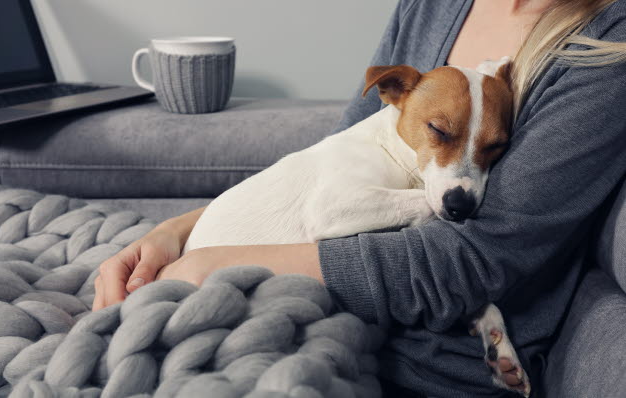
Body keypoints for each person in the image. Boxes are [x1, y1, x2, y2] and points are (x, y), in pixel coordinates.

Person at [93, 0, 626, 396]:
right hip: (290, 309)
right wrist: (177, 233)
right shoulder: (435, 5)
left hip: (417, 363)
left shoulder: (608, 42)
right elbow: (332, 160)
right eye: (439, 133)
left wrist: (221, 263)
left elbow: (468, 261)